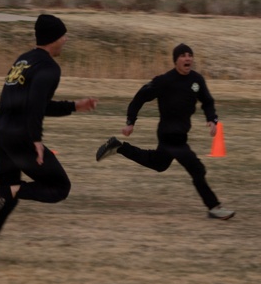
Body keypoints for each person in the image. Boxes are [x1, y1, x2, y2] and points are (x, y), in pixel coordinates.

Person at [0, 14, 98, 262]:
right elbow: (36, 105)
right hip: (20, 137)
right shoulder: (49, 68)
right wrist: (36, 139)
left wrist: (75, 107)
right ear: (54, 38)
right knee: (59, 188)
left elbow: (35, 104)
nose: (66, 40)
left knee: (9, 195)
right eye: (63, 35)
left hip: (1, 133)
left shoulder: (23, 60)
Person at [95, 43, 234, 220]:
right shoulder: (164, 81)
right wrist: (130, 122)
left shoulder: (196, 80)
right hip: (169, 134)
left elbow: (207, 101)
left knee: (159, 164)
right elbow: (140, 98)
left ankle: (119, 147)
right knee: (197, 169)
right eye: (183, 55)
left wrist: (212, 119)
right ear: (176, 60)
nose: (188, 58)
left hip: (180, 134)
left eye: (190, 55)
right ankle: (214, 207)